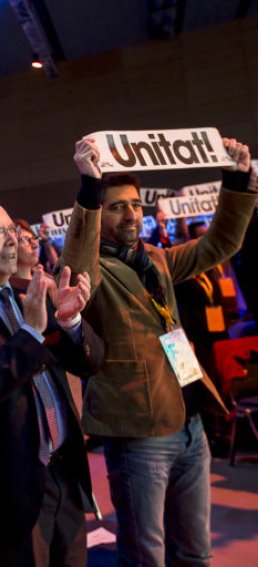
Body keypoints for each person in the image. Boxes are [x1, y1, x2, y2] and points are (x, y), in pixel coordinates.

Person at [60, 137, 256, 566]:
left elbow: (219, 244)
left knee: (195, 552)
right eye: (117, 206)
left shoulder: (157, 259)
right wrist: (90, 190)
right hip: (138, 434)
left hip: (190, 423)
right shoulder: (90, 270)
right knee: (146, 554)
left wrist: (237, 182)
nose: (131, 213)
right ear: (100, 213)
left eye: (134, 204)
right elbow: (75, 265)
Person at [0, 202, 102, 567]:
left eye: (12, 231)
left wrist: (72, 321)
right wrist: (29, 332)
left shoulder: (32, 292)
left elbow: (91, 363)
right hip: (8, 492)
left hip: (64, 474)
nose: (12, 241)